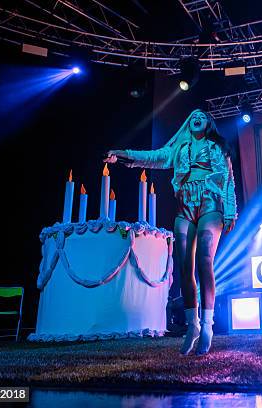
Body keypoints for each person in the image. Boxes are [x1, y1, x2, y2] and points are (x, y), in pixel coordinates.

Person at [105, 109, 237, 355]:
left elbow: (228, 180)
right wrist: (121, 155)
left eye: (203, 115)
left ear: (209, 122)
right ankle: (192, 326)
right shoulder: (178, 149)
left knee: (204, 261)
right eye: (193, 114)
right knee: (184, 266)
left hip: (211, 203)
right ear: (189, 122)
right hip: (185, 205)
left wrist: (230, 211)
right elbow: (152, 156)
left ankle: (208, 325)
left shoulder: (218, 148)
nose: (197, 116)